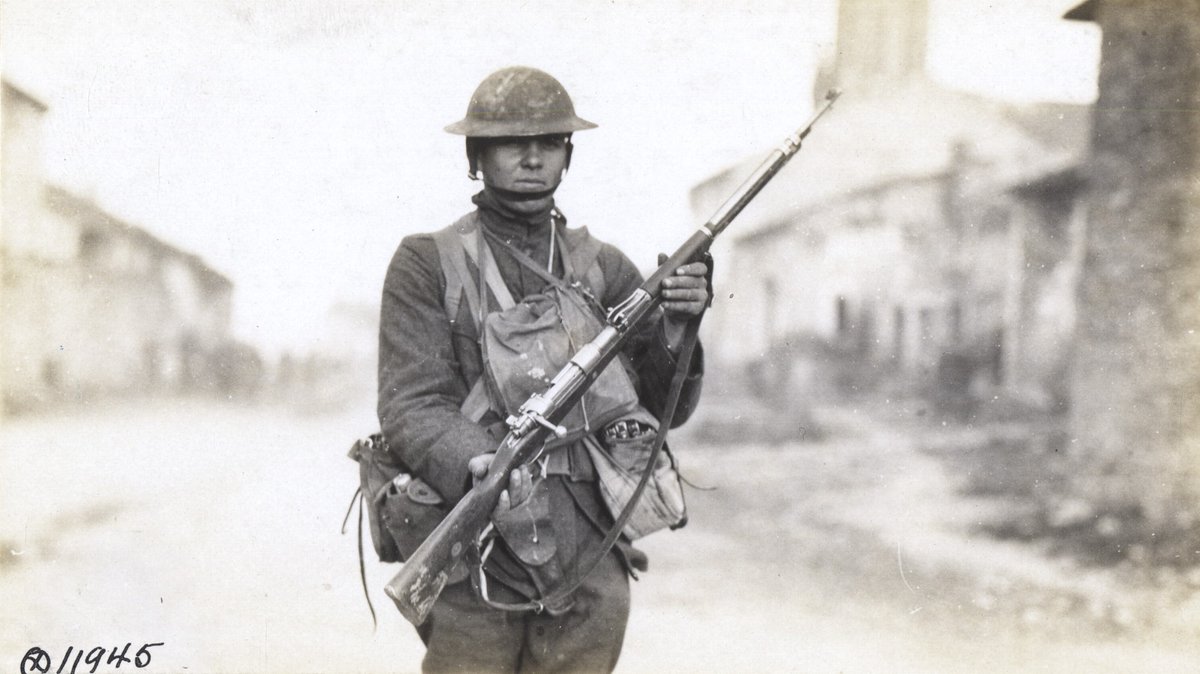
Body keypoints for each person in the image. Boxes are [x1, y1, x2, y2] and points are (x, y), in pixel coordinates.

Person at [377, 65, 709, 674]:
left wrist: (679, 328)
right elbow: (410, 403)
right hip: (477, 539)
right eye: (511, 143)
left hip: (589, 542)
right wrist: (477, 460)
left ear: (568, 156)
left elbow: (662, 410)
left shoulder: (606, 269)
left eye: (550, 143)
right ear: (477, 155)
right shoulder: (427, 263)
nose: (532, 158)